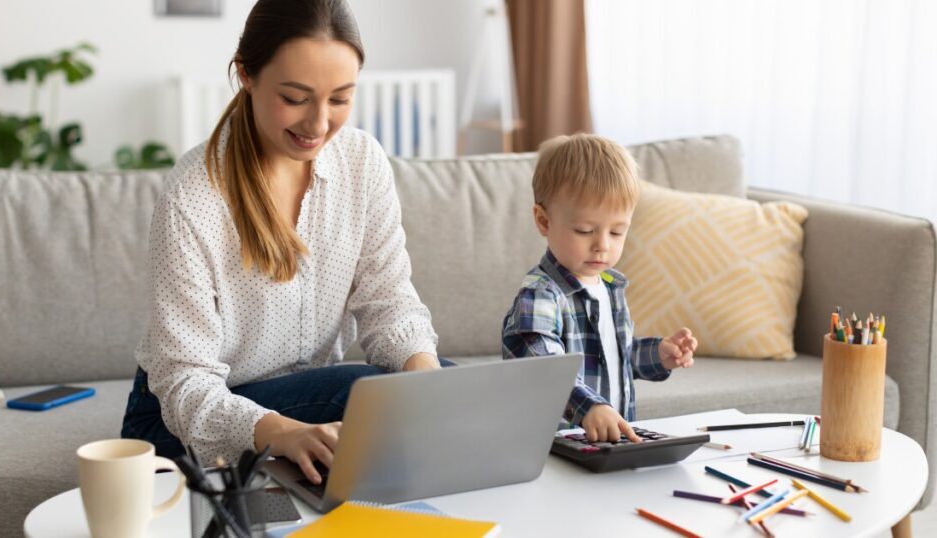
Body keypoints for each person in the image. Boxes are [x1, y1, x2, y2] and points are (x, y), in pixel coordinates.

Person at [121, 0, 443, 485]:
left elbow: (389, 303)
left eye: (339, 99)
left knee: (450, 387)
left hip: (305, 395)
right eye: (295, 98)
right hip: (180, 421)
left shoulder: (362, 162)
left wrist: (427, 379)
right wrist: (282, 432)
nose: (318, 125)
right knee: (366, 392)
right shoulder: (194, 196)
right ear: (246, 74)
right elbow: (184, 382)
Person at [501, 133, 698, 443]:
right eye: (585, 230)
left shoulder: (609, 287)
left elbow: (614, 359)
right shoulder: (541, 295)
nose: (602, 246)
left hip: (604, 444)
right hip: (553, 449)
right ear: (543, 221)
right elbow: (541, 367)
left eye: (618, 232)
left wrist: (659, 354)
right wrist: (589, 406)